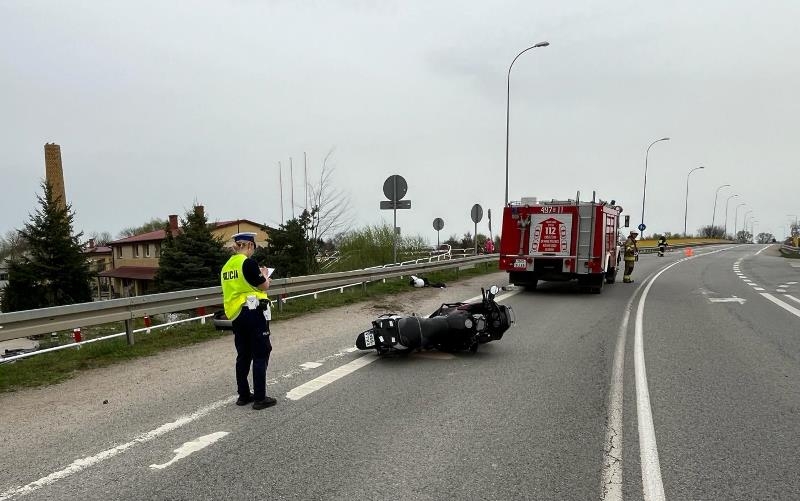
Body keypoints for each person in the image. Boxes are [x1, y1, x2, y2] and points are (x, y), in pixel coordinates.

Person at [220, 232, 276, 410]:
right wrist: (265, 275)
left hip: (236, 315)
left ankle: (243, 395)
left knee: (243, 354)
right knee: (261, 352)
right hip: (253, 312)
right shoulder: (249, 263)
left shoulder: (227, 266)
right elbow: (263, 285)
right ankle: (260, 398)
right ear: (250, 245)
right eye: (254, 247)